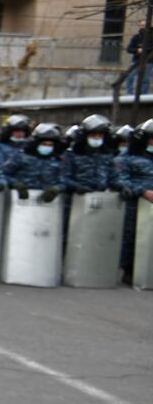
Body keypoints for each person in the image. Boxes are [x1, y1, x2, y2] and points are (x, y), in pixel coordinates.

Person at [115, 118, 153, 281]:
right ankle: (129, 270)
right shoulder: (127, 156)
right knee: (130, 237)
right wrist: (142, 191)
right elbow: (120, 180)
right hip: (134, 204)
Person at [5, 122, 67, 202]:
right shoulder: (21, 156)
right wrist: (16, 184)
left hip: (47, 203)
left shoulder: (58, 160)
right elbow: (4, 174)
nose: (47, 147)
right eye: (44, 144)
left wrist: (57, 188)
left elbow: (64, 180)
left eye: (50, 145)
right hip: (22, 201)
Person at [62, 114, 117, 195]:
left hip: (101, 199)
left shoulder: (107, 155)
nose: (97, 138)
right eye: (93, 135)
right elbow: (63, 178)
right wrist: (76, 187)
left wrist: (121, 186)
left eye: (100, 136)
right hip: (76, 199)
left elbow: (113, 177)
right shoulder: (73, 154)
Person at [126, 27, 151, 97]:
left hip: (148, 62)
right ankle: (129, 94)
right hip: (136, 61)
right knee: (130, 77)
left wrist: (145, 50)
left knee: (145, 79)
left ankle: (143, 95)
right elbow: (129, 49)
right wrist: (137, 50)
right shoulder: (136, 37)